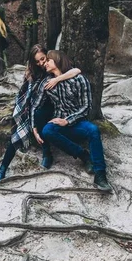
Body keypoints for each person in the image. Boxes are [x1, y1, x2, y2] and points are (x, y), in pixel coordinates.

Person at [0, 45, 81, 181]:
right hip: (31, 106)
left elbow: (76, 70)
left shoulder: (53, 66)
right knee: (18, 134)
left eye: (43, 59)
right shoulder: (32, 72)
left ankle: (46, 152)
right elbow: (29, 96)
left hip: (50, 108)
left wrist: (57, 79)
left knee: (40, 114)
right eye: (37, 61)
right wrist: (33, 127)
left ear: (48, 56)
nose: (41, 63)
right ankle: (2, 169)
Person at [31, 50, 111, 192]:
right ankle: (83, 155)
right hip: (59, 123)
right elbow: (35, 106)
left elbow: (86, 107)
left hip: (77, 122)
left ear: (57, 61)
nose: (45, 64)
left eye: (48, 60)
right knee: (48, 131)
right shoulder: (47, 82)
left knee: (93, 130)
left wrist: (67, 120)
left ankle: (100, 175)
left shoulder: (79, 79)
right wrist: (34, 128)